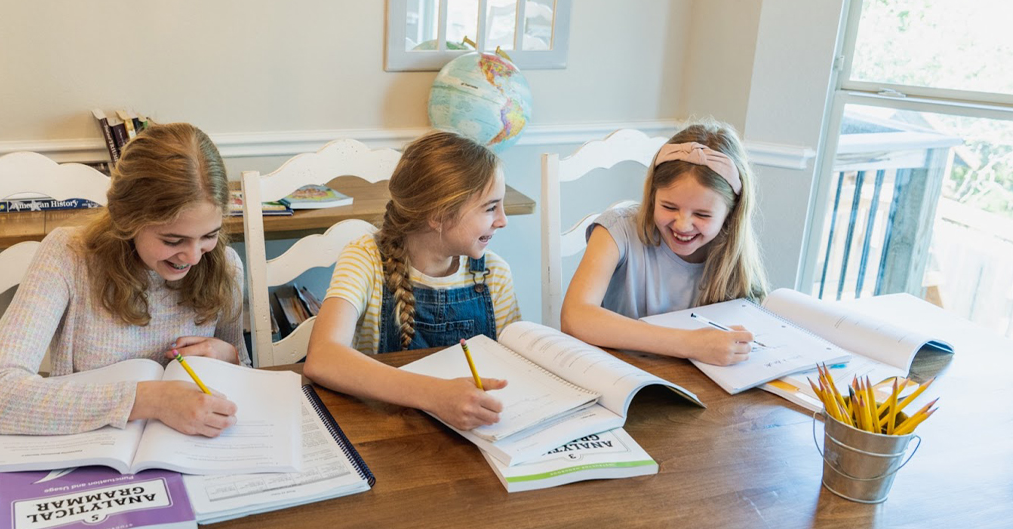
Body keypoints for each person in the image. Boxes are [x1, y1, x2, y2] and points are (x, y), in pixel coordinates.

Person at [0, 122, 248, 436]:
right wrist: (150, 400)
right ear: (126, 218)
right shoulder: (68, 257)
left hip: (188, 454)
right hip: (86, 456)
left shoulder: (224, 265)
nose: (194, 257)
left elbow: (248, 381)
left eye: (209, 235)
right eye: (173, 241)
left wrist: (230, 357)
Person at [304, 132, 521, 431]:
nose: (502, 220)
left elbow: (516, 367)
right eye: (490, 207)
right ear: (439, 215)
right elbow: (323, 357)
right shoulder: (366, 259)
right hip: (385, 432)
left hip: (470, 431)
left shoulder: (495, 274)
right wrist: (433, 395)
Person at [561, 119, 769, 366]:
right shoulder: (617, 230)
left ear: (730, 215)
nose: (682, 225)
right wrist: (691, 344)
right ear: (652, 196)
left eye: (702, 215)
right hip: (620, 377)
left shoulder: (731, 257)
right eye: (669, 207)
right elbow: (574, 316)